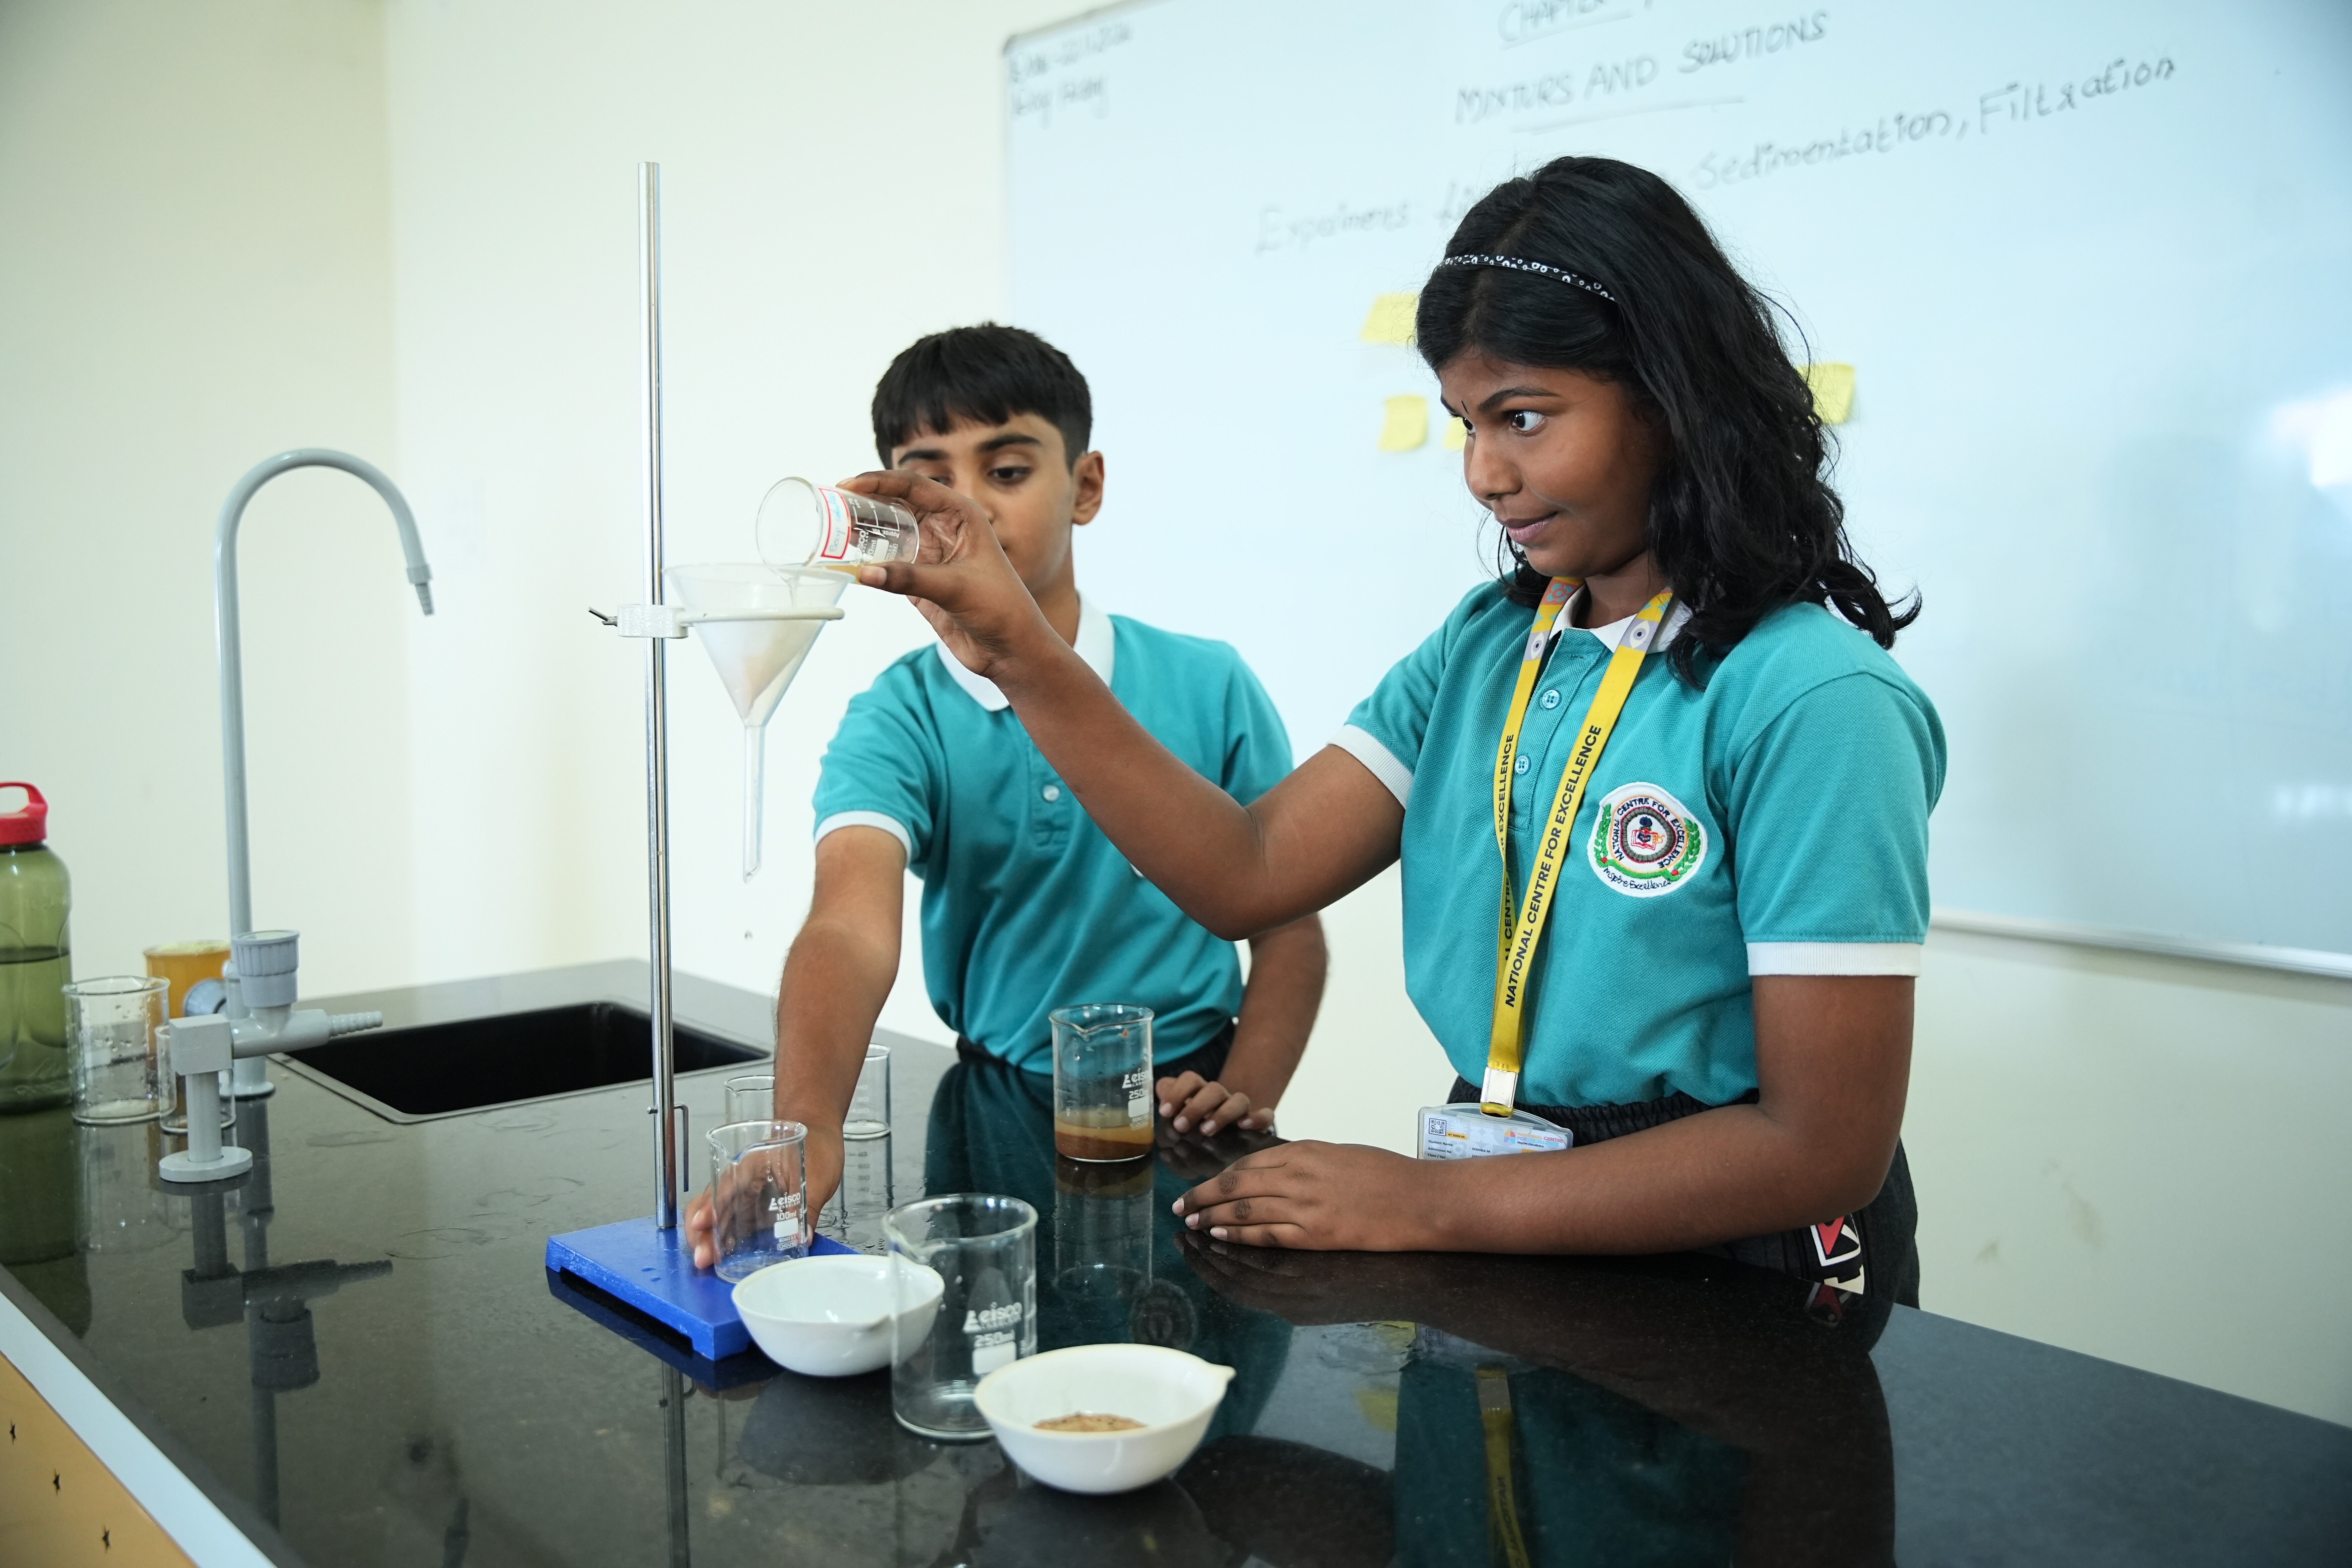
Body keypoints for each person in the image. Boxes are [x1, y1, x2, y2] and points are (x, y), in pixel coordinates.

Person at [836, 159, 1943, 1304]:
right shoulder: (1487, 650)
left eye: (1522, 418)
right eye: (1465, 423)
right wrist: (1018, 649)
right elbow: (1247, 873)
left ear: (1673, 394)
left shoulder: (1814, 700)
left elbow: (1821, 1148)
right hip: (1511, 1200)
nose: (1482, 473)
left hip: (1740, 1270)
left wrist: (1425, 1202)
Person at [687, 325, 1327, 1267]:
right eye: (931, 478)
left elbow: (1290, 932)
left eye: (1009, 471)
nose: (970, 512)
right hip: (998, 1118)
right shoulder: (899, 717)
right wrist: (809, 1126)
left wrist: (1245, 1097)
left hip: (1193, 1107)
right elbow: (848, 927)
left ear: (1088, 487)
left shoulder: (1209, 682)